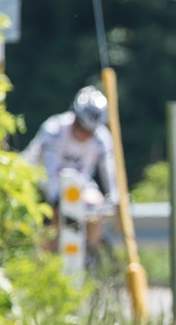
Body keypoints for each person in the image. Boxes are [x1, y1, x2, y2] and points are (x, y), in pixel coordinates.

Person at [20, 85, 120, 252]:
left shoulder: (101, 138)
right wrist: (54, 200)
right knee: (49, 227)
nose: (85, 135)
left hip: (78, 186)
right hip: (43, 186)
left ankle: (89, 253)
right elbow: (51, 171)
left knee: (96, 204)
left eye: (90, 131)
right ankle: (48, 257)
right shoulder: (55, 130)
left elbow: (108, 168)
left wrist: (114, 197)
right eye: (82, 128)